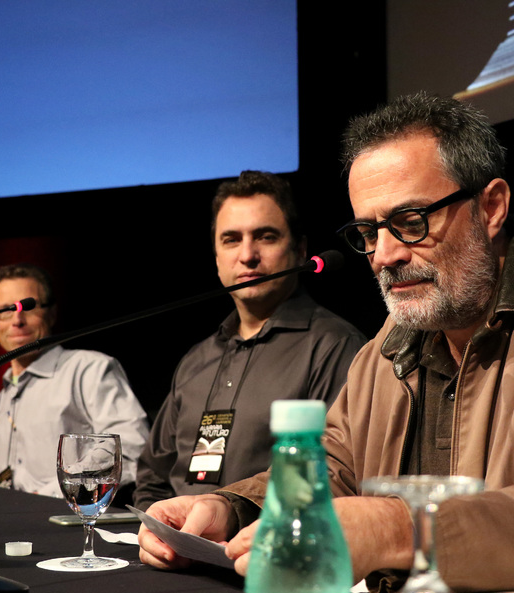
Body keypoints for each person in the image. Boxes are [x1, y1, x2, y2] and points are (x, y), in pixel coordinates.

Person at [137, 94, 514, 593]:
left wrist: (397, 527)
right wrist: (230, 508)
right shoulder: (393, 340)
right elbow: (335, 467)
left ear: (491, 207)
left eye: (408, 221)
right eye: (367, 232)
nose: (383, 255)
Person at [133, 171, 366, 510]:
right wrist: (161, 530)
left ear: (300, 249)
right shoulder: (197, 360)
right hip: (176, 553)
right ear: (216, 257)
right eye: (231, 239)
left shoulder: (334, 347)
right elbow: (152, 479)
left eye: (266, 237)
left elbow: (330, 478)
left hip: (263, 554)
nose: (247, 255)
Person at [0, 263, 149, 501]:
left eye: (28, 307)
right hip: (7, 527)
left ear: (52, 312)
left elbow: (129, 449)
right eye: (5, 310)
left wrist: (58, 490)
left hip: (68, 521)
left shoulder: (89, 369)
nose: (17, 320)